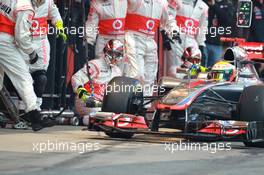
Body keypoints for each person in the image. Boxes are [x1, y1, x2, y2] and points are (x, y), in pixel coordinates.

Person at [0, 0, 55, 131]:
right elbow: (21, 36)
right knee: (24, 78)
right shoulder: (26, 7)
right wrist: (31, 52)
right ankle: (35, 116)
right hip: (5, 42)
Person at [125, 0, 180, 97]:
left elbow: (169, 19)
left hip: (150, 40)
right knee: (137, 74)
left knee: (150, 77)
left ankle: (144, 107)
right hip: (134, 38)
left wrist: (174, 30)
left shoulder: (162, 3)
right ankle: (129, 102)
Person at [71, 39, 123, 124]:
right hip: (87, 101)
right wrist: (84, 96)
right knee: (102, 115)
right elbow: (75, 78)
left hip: (104, 103)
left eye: (117, 55)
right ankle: (80, 120)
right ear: (106, 52)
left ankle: (89, 120)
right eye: (112, 54)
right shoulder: (95, 64)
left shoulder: (118, 71)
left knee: (120, 113)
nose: (114, 57)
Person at [30, 0, 67, 110]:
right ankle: (23, 106)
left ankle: (36, 108)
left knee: (41, 77)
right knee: (22, 77)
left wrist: (59, 27)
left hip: (41, 41)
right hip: (22, 41)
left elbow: (55, 14)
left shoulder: (48, 2)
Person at [165, 0, 208, 78]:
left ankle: (188, 89)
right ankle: (174, 89)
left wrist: (201, 45)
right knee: (175, 70)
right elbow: (169, 16)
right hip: (176, 39)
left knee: (192, 72)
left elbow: (202, 28)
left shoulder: (204, 6)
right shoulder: (177, 1)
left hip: (192, 41)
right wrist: (172, 32)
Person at [204, 0, 234, 67]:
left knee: (215, 69)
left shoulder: (228, 4)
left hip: (217, 43)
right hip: (203, 41)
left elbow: (227, 19)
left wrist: (214, 5)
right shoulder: (205, 2)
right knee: (202, 68)